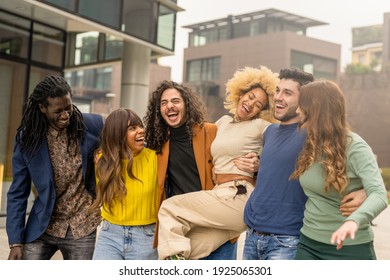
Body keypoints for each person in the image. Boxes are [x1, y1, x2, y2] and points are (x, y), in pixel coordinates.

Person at [155, 66, 280, 260]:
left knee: (170, 208)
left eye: (259, 104)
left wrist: (260, 165)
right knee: (188, 249)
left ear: (262, 111)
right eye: (250, 96)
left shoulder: (260, 126)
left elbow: (282, 147)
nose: (251, 103)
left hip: (238, 194)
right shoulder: (222, 123)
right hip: (219, 195)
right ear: (241, 93)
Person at [243, 68, 367, 260]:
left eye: (288, 93)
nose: (278, 97)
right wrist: (256, 167)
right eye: (277, 91)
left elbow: (352, 164)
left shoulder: (315, 135)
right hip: (252, 235)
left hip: (287, 240)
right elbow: (276, 171)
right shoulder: (270, 131)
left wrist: (364, 191)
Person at [6, 75, 103, 260]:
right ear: (42, 108)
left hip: (82, 226)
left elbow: (123, 139)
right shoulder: (27, 140)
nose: (65, 115)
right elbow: (18, 192)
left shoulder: (93, 125)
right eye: (58, 111)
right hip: (43, 226)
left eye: (68, 108)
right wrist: (16, 242)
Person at [290, 80, 388, 260]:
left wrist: (353, 221)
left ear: (315, 109)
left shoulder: (356, 147)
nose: (297, 111)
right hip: (308, 243)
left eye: (301, 106)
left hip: (349, 247)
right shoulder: (311, 143)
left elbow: (379, 194)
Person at [90, 108, 158, 260]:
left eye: (140, 126)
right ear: (117, 134)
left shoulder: (155, 158)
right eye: (132, 128)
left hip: (146, 237)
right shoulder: (102, 159)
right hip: (110, 235)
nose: (140, 131)